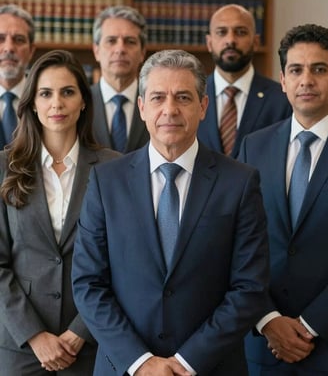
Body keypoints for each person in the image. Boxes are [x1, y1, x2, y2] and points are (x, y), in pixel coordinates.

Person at [72, 49, 270, 376]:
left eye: (183, 97)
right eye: (158, 97)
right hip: (124, 367)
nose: (170, 109)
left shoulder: (240, 182)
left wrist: (187, 362)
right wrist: (140, 361)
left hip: (210, 367)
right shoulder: (107, 181)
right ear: (142, 108)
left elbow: (249, 287)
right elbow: (88, 282)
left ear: (203, 106)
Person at [239, 23, 328, 375]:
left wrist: (310, 325)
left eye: (319, 69)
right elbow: (237, 245)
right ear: (282, 80)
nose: (306, 81)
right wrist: (269, 320)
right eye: (296, 70)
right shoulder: (254, 146)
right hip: (264, 347)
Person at [0, 49, 121, 375]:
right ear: (32, 103)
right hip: (20, 348)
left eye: (68, 92)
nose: (57, 103)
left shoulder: (115, 168)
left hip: (91, 344)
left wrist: (81, 331)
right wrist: (35, 336)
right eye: (46, 93)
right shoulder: (4, 167)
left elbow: (124, 262)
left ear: (84, 101)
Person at [197, 3, 291, 158]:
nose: (230, 40)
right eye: (222, 32)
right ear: (209, 43)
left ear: (255, 41)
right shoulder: (193, 96)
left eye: (240, 32)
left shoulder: (282, 99)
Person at [91, 5, 149, 153]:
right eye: (111, 41)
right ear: (96, 51)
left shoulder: (155, 102)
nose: (120, 49)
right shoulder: (80, 102)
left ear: (142, 52)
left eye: (130, 41)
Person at [0, 3, 36, 148]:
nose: (9, 48)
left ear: (31, 50)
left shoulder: (47, 99)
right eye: (1, 39)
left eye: (19, 40)